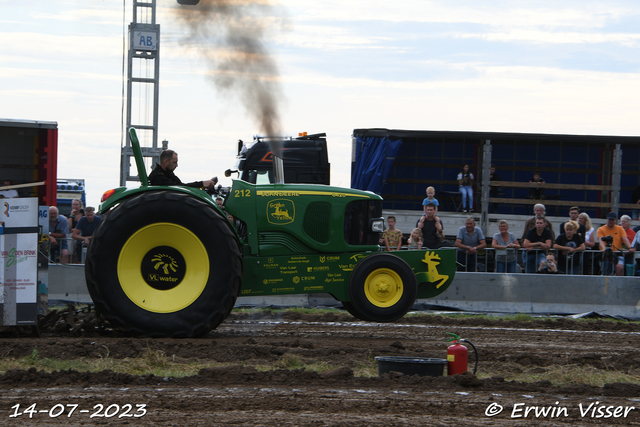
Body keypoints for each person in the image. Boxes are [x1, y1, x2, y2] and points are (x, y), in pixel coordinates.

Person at [149, 149, 216, 189]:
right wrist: (201, 184)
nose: (177, 165)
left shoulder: (168, 174)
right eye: (174, 162)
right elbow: (179, 188)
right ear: (166, 161)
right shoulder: (157, 177)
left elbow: (182, 185)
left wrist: (203, 184)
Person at [597, 212, 634, 276]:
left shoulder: (620, 228)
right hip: (606, 254)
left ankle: (618, 283)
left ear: (616, 220)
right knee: (606, 272)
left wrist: (630, 247)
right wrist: (603, 248)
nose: (611, 221)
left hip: (617, 253)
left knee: (619, 267)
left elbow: (625, 239)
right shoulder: (601, 229)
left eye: (613, 220)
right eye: (610, 220)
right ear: (607, 219)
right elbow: (601, 240)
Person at [67, 198, 85, 263]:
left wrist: (74, 229)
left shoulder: (84, 215)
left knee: (78, 253)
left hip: (81, 235)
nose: (75, 206)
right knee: (70, 253)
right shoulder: (68, 215)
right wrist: (71, 216)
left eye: (76, 205)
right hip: (71, 236)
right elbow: (68, 228)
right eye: (73, 204)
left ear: (80, 205)